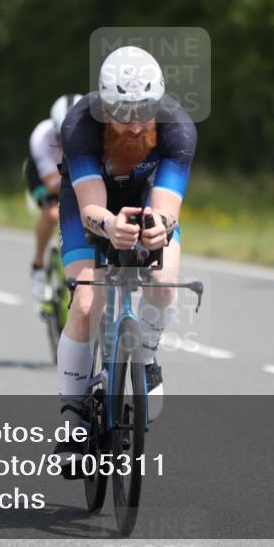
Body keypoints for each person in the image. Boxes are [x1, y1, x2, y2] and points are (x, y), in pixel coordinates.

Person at [53, 46, 196, 466]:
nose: (134, 125)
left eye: (144, 110)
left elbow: (168, 204)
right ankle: (72, 414)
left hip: (147, 200)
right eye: (121, 112)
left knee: (164, 285)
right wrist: (109, 226)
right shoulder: (79, 123)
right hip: (90, 203)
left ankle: (146, 356)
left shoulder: (178, 128)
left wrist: (159, 228)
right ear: (103, 104)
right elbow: (90, 208)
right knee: (85, 300)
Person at [26, 93, 83, 300]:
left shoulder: (96, 131)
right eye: (63, 136)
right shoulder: (42, 136)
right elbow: (54, 183)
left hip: (74, 171)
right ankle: (38, 266)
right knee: (51, 214)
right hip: (45, 177)